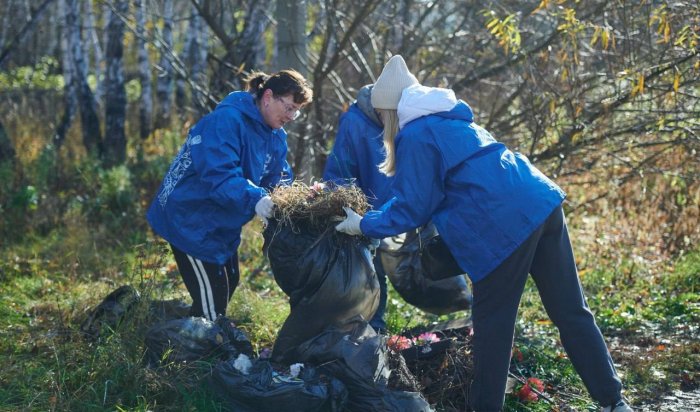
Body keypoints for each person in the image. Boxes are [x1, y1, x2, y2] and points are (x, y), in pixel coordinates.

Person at [335, 55, 631, 412]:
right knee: (571, 310)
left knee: (493, 328)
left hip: (503, 224)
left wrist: (363, 224)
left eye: (382, 115)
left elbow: (414, 206)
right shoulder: (451, 118)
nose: (382, 122)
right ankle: (614, 402)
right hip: (540, 200)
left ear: (391, 111)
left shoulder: (415, 133)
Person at [147, 69, 313, 322]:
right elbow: (219, 175)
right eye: (289, 107)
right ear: (268, 96)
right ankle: (197, 356)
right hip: (190, 218)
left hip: (221, 222)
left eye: (296, 111)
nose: (292, 116)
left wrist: (294, 200)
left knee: (228, 283)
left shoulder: (276, 135)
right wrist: (257, 199)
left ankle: (172, 326)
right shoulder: (226, 121)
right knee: (212, 305)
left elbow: (277, 178)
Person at [323, 84, 391, 332]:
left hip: (394, 209)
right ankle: (370, 327)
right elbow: (340, 169)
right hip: (365, 212)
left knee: (389, 266)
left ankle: (375, 326)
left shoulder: (405, 119)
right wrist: (350, 207)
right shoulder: (355, 122)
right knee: (372, 271)